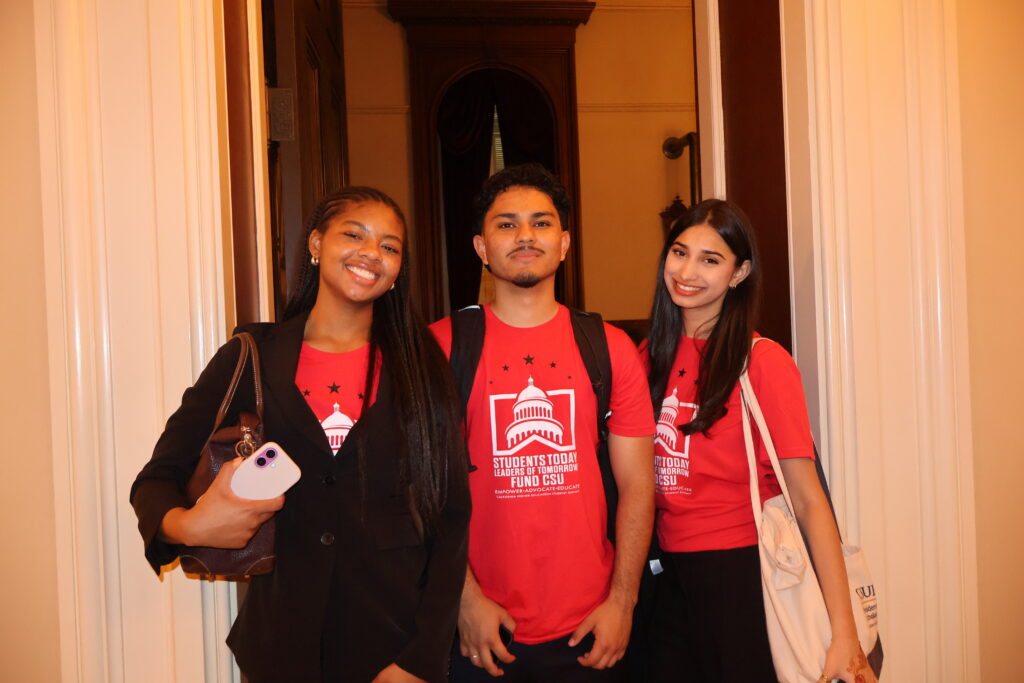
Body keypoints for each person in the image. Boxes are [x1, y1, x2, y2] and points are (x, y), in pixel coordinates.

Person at [130, 187, 470, 683]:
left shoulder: (423, 367)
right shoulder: (252, 356)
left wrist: (419, 660)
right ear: (315, 243)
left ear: (399, 270)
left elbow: (451, 517)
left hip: (392, 649)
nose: (371, 253)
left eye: (390, 247)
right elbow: (157, 478)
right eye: (354, 234)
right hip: (279, 648)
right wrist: (189, 527)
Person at [430, 164, 656, 682]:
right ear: (481, 248)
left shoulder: (610, 349)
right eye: (506, 224)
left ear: (565, 242)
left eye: (541, 223)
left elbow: (638, 484)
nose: (525, 235)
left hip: (590, 626)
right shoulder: (441, 347)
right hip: (478, 627)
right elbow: (423, 487)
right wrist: (464, 599)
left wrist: (623, 603)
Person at [644, 198, 876, 683]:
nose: (687, 271)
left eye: (711, 260)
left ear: (738, 272)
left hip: (743, 574)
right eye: (679, 252)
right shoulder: (649, 356)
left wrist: (845, 631)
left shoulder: (762, 362)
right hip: (667, 576)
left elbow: (810, 500)